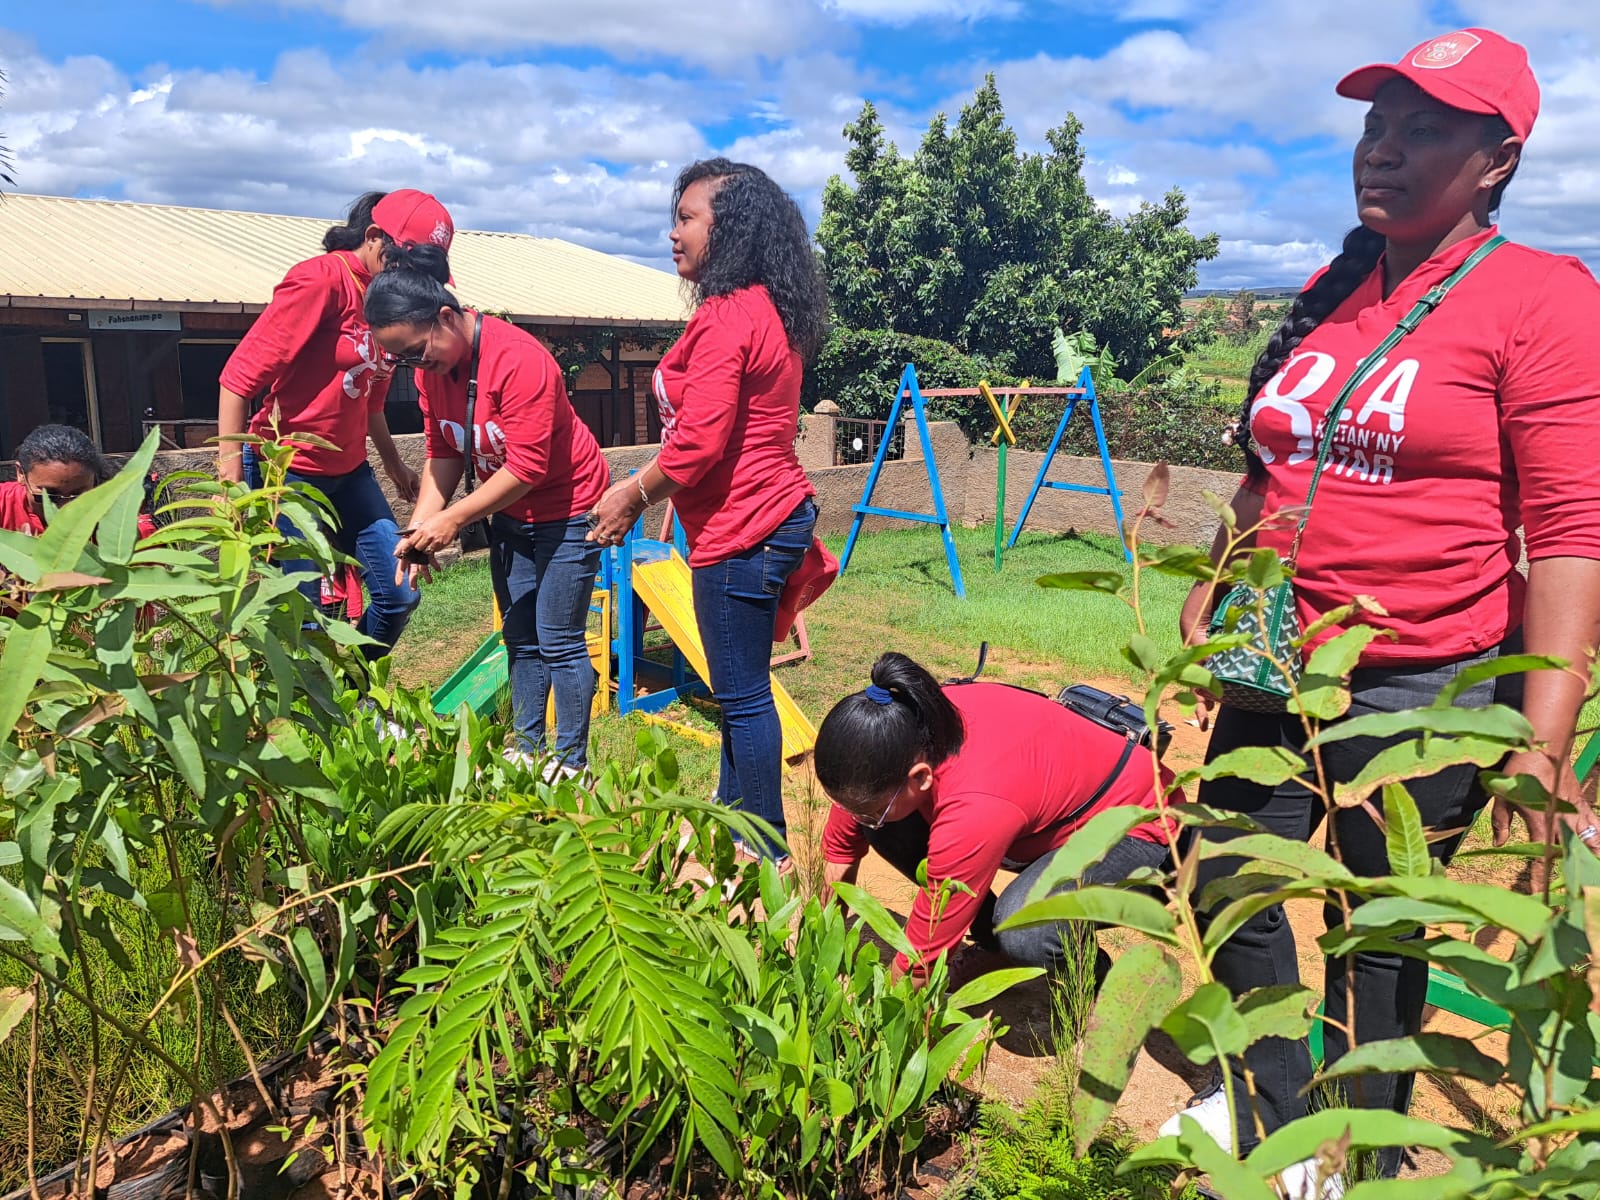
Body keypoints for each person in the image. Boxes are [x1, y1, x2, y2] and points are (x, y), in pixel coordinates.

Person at [1168, 28, 1600, 1189]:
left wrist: (1538, 742)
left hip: (1420, 674)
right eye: (1374, 125)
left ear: (1497, 156)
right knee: (1230, 880)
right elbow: (1274, 460)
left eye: (1422, 131)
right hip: (1275, 657)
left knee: (1377, 931)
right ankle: (1274, 1118)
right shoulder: (1334, 283)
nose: (1383, 151)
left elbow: (1568, 535)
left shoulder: (1543, 298)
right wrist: (1221, 569)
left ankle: (1360, 1153)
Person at [588, 158, 829, 860]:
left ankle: (766, 853)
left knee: (744, 695)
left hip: (744, 527)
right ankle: (736, 825)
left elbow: (696, 445)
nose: (673, 233)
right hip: (772, 510)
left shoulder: (728, 318)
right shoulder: (765, 310)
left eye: (687, 218)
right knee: (740, 690)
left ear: (731, 230)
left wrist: (631, 494)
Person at [367, 242, 609, 773]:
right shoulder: (435, 373)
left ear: (446, 317)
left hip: (568, 508)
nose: (414, 365)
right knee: (520, 635)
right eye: (402, 358)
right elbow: (445, 452)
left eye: (416, 350)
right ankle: (527, 749)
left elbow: (527, 468)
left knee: (558, 636)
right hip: (512, 515)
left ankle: (571, 763)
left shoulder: (521, 361)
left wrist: (454, 519)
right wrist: (419, 527)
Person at [815, 653, 1176, 983]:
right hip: (1040, 813)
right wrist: (816, 950)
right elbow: (839, 854)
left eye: (871, 809)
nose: (863, 816)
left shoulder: (974, 804)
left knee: (1024, 928)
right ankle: (992, 945)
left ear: (921, 777)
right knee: (884, 826)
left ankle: (1082, 970)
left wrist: (878, 1030)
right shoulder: (898, 730)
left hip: (1138, 827)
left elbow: (920, 958)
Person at [217, 189, 455, 658]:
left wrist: (392, 465)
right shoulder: (320, 282)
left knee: (400, 592)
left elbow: (371, 401)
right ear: (372, 237)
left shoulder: (393, 307)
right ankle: (305, 718)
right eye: (406, 265)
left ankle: (351, 691)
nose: (412, 281)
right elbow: (237, 381)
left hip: (349, 473)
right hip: (286, 473)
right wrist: (232, 490)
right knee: (299, 615)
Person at [1, 424, 109, 534]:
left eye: (79, 497)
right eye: (48, 496)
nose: (64, 509)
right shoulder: (3, 504)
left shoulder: (115, 514)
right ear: (21, 474)